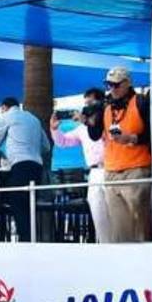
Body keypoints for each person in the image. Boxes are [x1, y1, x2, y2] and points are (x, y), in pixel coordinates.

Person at [86, 67, 152, 243]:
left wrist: (132, 138)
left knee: (141, 226)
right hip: (111, 172)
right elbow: (94, 135)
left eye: (116, 85)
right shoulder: (106, 106)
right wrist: (89, 120)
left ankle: (147, 257)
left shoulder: (141, 102)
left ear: (127, 83)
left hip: (137, 170)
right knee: (120, 230)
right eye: (109, 85)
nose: (112, 89)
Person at [52, 88, 109, 243]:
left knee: (116, 214)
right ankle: (104, 245)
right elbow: (63, 142)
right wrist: (55, 129)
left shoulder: (108, 118)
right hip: (95, 171)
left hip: (112, 168)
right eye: (86, 103)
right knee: (98, 212)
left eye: (91, 102)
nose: (88, 106)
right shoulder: (82, 128)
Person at [0, 96, 51, 242]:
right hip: (36, 166)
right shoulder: (34, 119)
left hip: (19, 165)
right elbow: (46, 147)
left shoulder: (6, 117)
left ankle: (25, 242)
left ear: (4, 107)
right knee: (30, 204)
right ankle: (33, 239)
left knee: (18, 204)